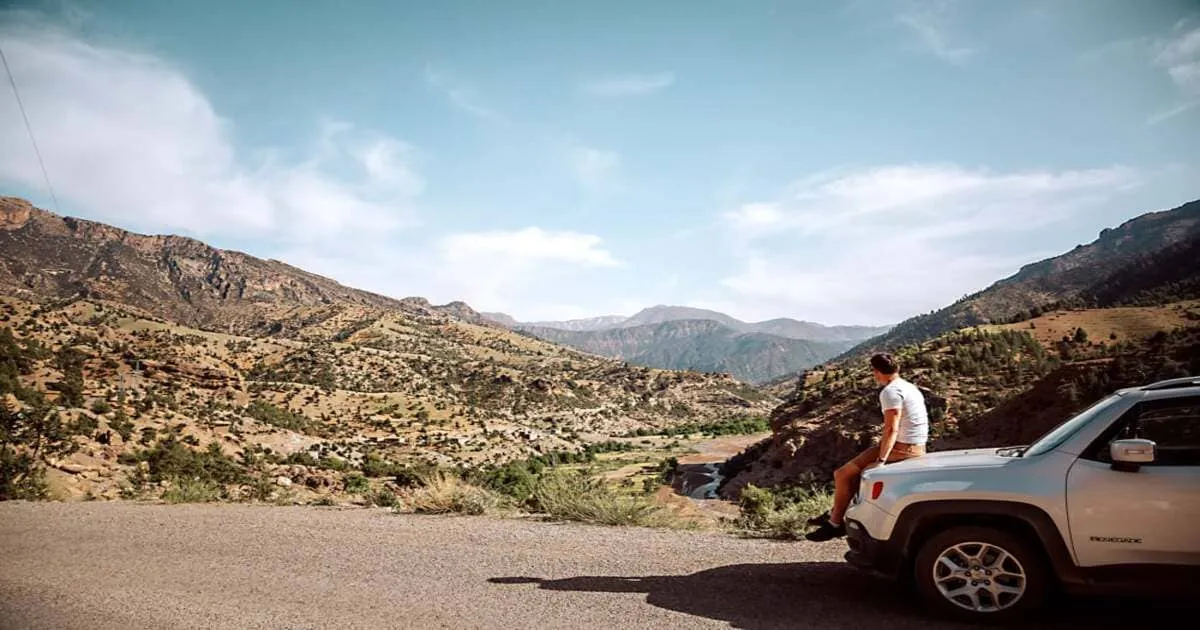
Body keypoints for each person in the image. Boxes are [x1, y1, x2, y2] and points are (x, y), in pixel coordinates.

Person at [805, 353, 928, 542]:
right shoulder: (909, 387)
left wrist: (881, 460)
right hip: (917, 444)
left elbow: (891, 428)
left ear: (876, 372)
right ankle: (836, 514)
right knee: (852, 475)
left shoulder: (890, 392)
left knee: (842, 474)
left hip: (904, 448)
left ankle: (834, 524)